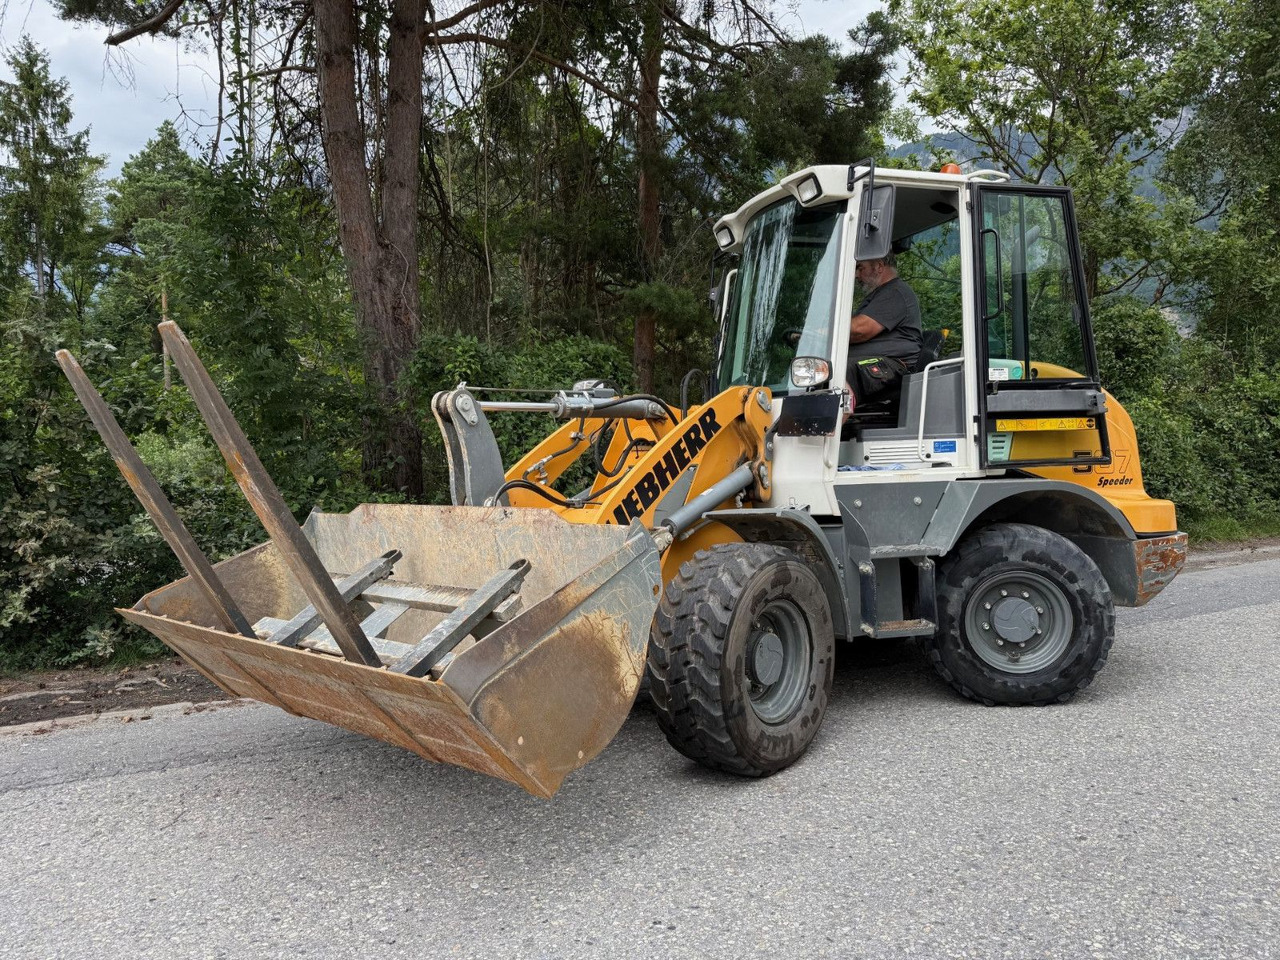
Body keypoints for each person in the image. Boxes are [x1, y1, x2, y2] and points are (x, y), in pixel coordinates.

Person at [847, 253, 922, 407]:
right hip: (883, 362)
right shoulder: (880, 294)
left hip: (895, 366)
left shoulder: (895, 292)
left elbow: (860, 330)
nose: (856, 275)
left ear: (879, 266)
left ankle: (828, 422)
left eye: (860, 268)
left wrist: (823, 332)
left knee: (844, 371)